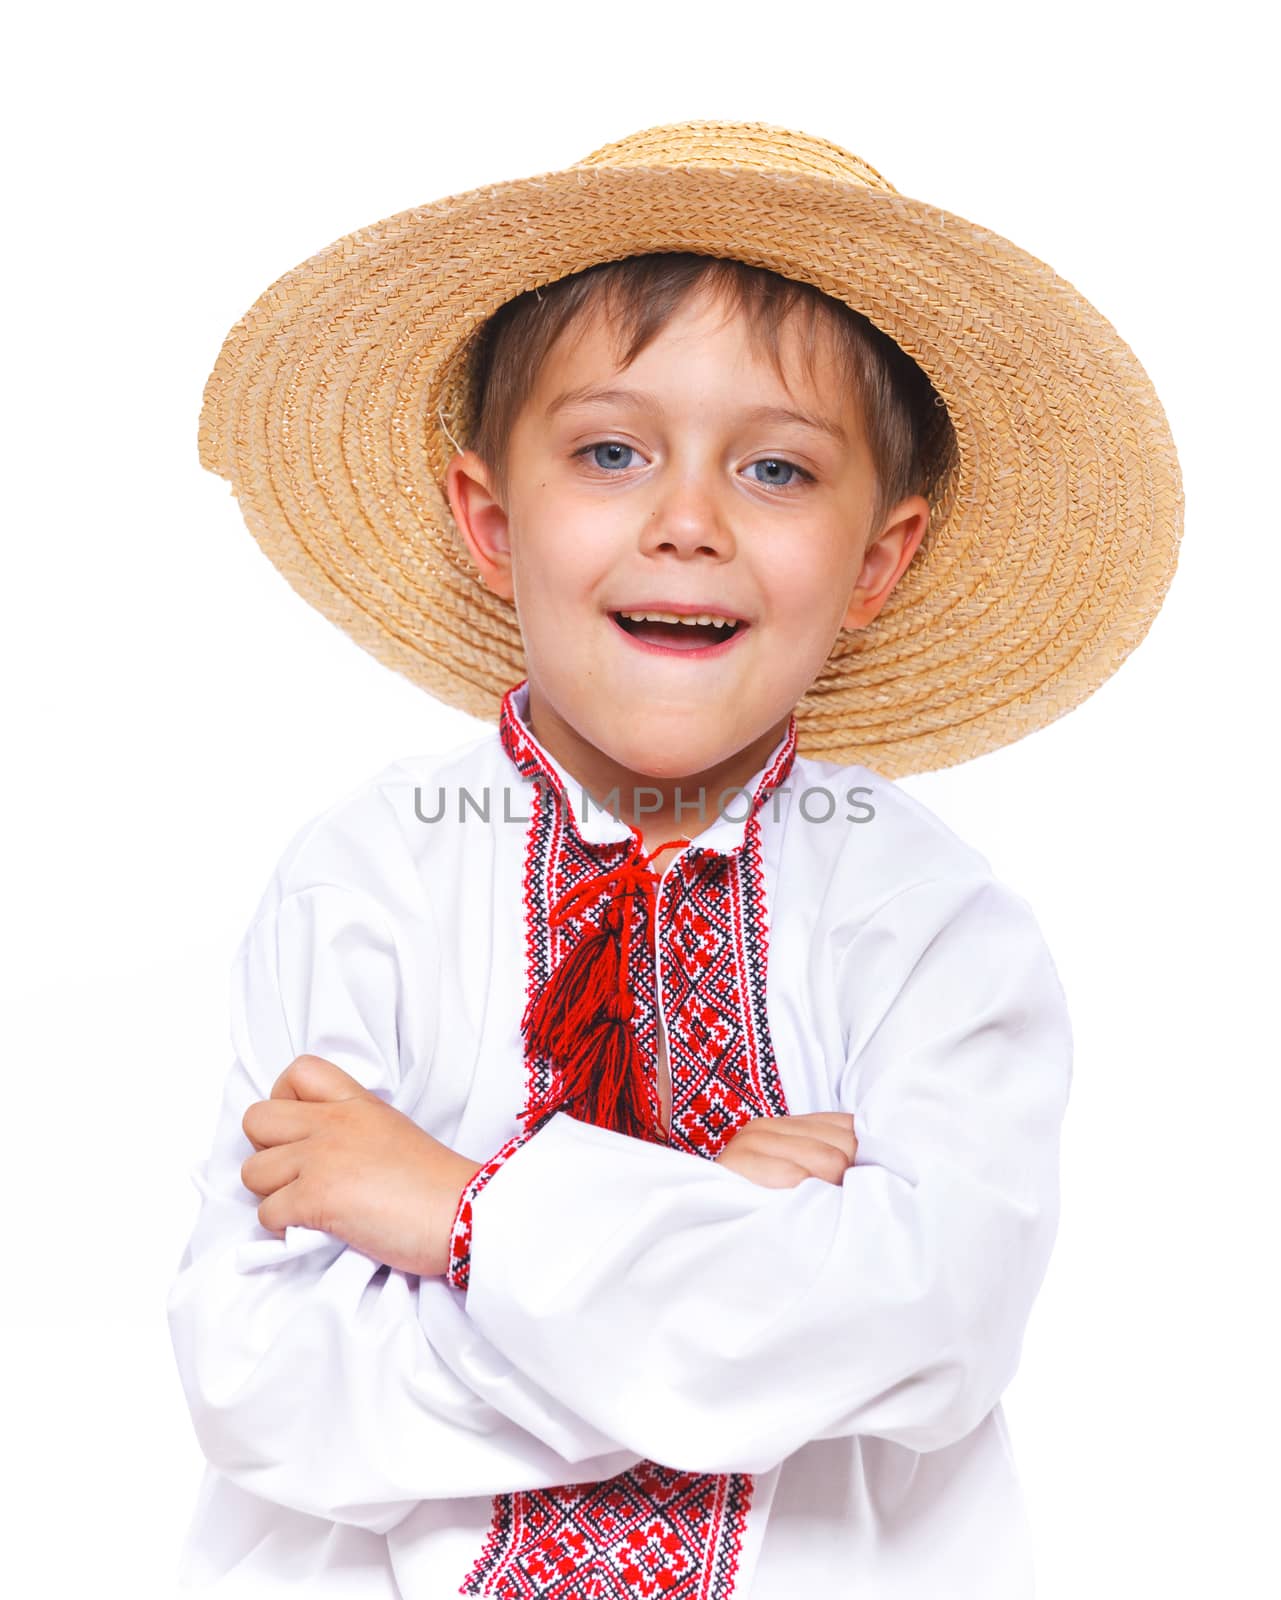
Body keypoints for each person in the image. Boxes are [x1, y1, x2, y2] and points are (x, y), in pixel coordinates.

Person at [167, 120, 1183, 1597]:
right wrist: (731, 1245)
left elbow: (929, 1334)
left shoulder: (929, 924)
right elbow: (264, 1381)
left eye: (775, 470)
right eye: (609, 452)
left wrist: (463, 1214)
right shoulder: (367, 880)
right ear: (489, 520)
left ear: (878, 560)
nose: (688, 521)